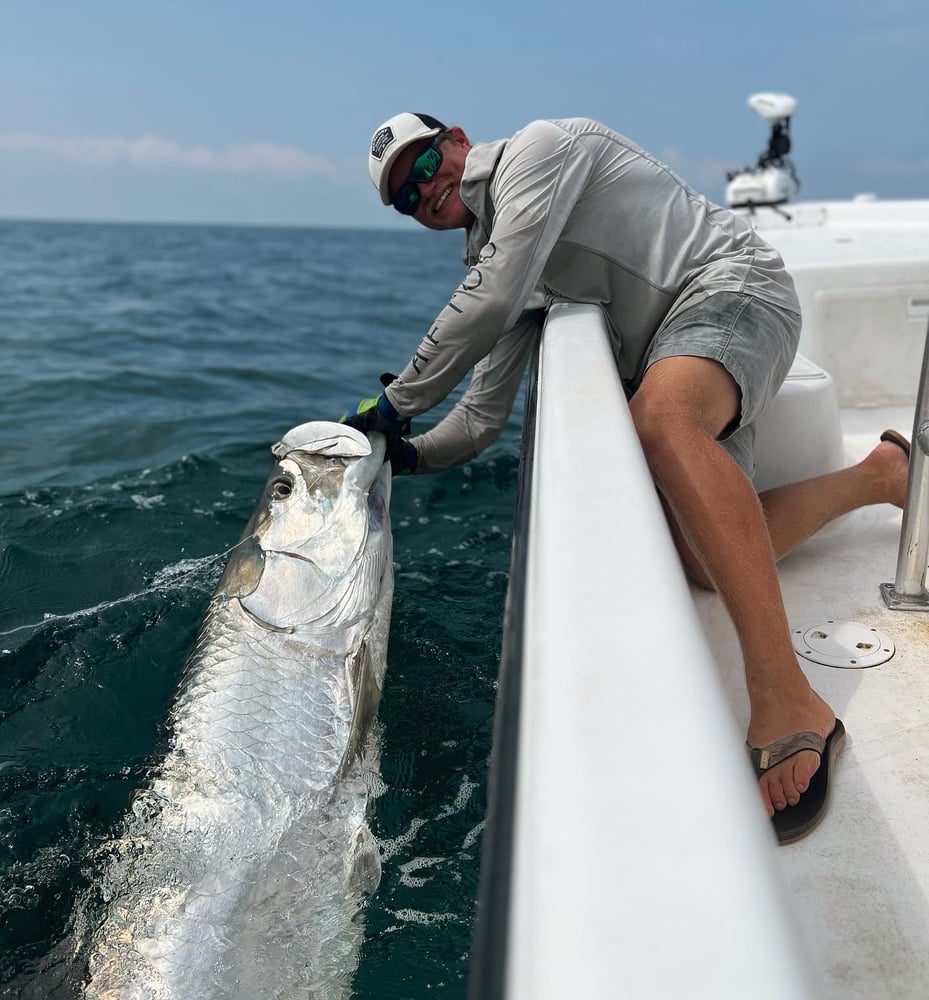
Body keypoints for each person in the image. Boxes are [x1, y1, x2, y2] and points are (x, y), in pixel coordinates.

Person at [343, 112, 909, 842]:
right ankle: (881, 474)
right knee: (705, 563)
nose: (424, 192)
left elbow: (486, 299)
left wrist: (396, 401)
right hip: (677, 350)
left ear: (456, 138)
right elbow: (480, 419)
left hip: (730, 290)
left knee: (658, 422)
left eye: (424, 165)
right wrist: (402, 451)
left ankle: (789, 700)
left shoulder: (541, 151)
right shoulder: (498, 254)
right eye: (403, 197)